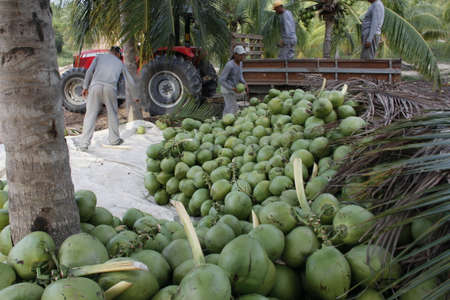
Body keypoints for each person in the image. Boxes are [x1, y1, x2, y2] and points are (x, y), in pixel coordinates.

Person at [78, 46, 138, 151]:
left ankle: (84, 144)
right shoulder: (120, 63)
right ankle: (114, 140)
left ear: (109, 52)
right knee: (112, 113)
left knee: (90, 115)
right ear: (119, 54)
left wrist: (85, 87)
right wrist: (135, 96)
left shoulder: (99, 57)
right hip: (110, 88)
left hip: (95, 87)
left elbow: (89, 72)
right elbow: (130, 80)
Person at [218, 45, 249, 117]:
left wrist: (245, 84)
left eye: (243, 55)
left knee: (229, 106)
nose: (242, 57)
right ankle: (227, 123)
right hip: (226, 89)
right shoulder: (229, 65)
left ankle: (224, 120)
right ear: (235, 54)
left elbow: (240, 75)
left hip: (232, 89)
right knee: (232, 107)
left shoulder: (240, 63)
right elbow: (221, 80)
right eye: (240, 55)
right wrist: (232, 89)